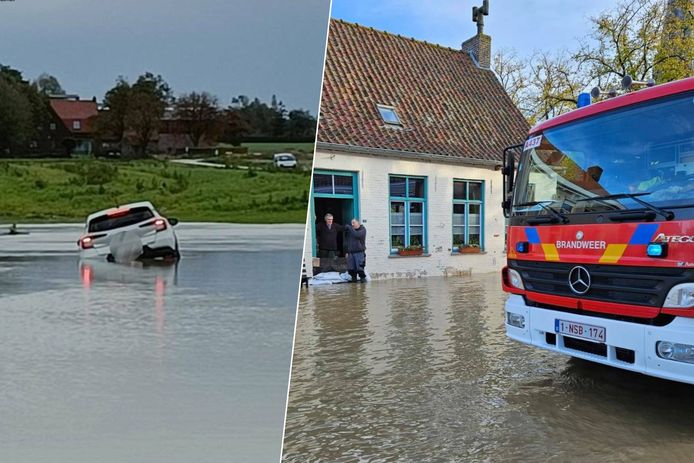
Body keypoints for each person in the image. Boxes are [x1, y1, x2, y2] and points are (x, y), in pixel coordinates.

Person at [345, 218, 367, 282]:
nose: (352, 224)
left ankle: (363, 287)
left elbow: (357, 235)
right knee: (351, 270)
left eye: (353, 223)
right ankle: (353, 286)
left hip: (359, 253)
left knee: (360, 269)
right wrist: (347, 251)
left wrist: (349, 227)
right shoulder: (351, 230)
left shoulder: (363, 229)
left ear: (358, 223)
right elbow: (347, 242)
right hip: (351, 253)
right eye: (351, 223)